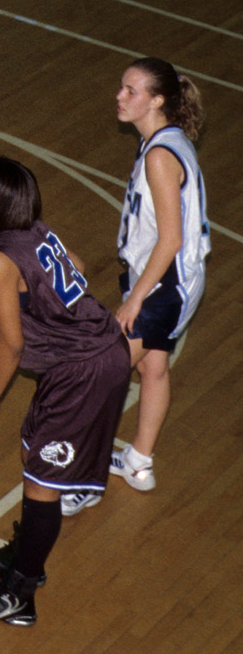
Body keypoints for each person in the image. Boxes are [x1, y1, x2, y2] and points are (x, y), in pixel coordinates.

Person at [0, 157, 130, 625]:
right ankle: (24, 553)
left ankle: (20, 592)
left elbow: (11, 343)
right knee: (33, 451)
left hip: (84, 370)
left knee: (43, 482)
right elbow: (79, 267)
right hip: (78, 359)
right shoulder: (33, 231)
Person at [109, 57, 209, 494]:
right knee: (154, 367)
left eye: (131, 91)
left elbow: (170, 240)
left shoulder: (160, 157)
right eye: (122, 87)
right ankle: (139, 462)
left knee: (100, 376)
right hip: (157, 276)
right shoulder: (163, 139)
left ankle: (79, 479)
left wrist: (135, 300)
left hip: (165, 284)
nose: (119, 96)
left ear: (157, 101)